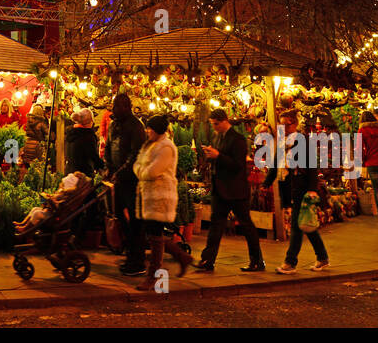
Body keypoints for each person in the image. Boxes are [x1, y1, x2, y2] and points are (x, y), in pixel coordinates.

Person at [194, 108, 264, 272]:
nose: (214, 127)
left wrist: (218, 156)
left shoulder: (237, 139)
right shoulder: (218, 137)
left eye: (216, 124)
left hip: (236, 191)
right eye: (212, 125)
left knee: (247, 226)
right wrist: (211, 156)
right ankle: (207, 260)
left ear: (224, 121)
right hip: (220, 189)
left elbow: (238, 165)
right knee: (215, 226)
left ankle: (257, 261)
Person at [265, 113, 329, 273]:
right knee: (305, 224)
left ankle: (290, 262)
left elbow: (312, 166)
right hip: (290, 187)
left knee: (296, 226)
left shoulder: (303, 141)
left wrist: (312, 189)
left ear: (294, 125)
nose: (284, 129)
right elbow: (276, 163)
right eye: (282, 125)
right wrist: (266, 182)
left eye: (286, 125)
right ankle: (322, 258)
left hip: (302, 187)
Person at [132, 114, 190, 289]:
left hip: (160, 196)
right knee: (153, 234)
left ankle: (153, 276)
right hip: (148, 195)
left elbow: (152, 171)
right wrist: (141, 170)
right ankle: (182, 257)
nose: (147, 131)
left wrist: (141, 171)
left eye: (150, 128)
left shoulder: (166, 147)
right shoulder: (150, 145)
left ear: (157, 130)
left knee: (155, 235)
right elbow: (137, 165)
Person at [105, 93, 147, 277]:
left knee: (135, 221)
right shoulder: (114, 124)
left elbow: (135, 154)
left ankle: (137, 259)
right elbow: (109, 146)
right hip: (118, 178)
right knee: (120, 217)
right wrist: (108, 167)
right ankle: (129, 253)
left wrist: (121, 172)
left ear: (126, 107)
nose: (113, 109)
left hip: (131, 180)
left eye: (116, 106)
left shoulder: (136, 126)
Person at [65, 108, 105, 176]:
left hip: (70, 174)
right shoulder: (87, 136)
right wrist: (105, 166)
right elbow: (94, 157)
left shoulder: (71, 133)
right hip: (83, 176)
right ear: (90, 121)